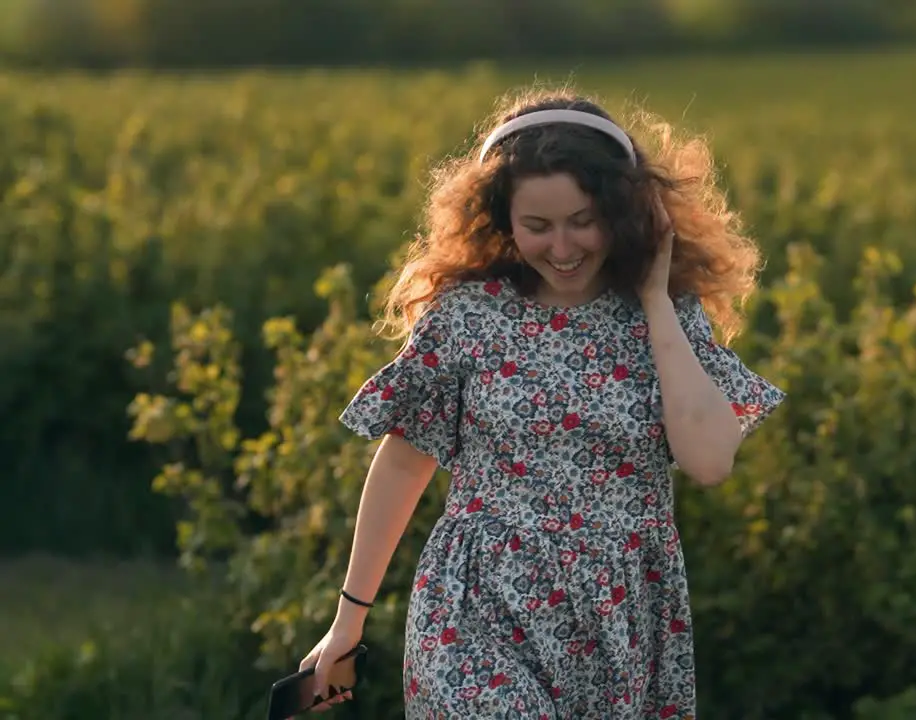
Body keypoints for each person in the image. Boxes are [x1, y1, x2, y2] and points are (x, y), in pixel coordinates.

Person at [295, 87, 786, 719]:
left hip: (618, 622)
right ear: (502, 220)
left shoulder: (666, 321)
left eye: (583, 220)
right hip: (475, 609)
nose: (562, 247)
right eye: (537, 226)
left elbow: (711, 461)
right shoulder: (468, 316)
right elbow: (402, 463)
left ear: (624, 210)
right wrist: (348, 621)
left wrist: (658, 301)